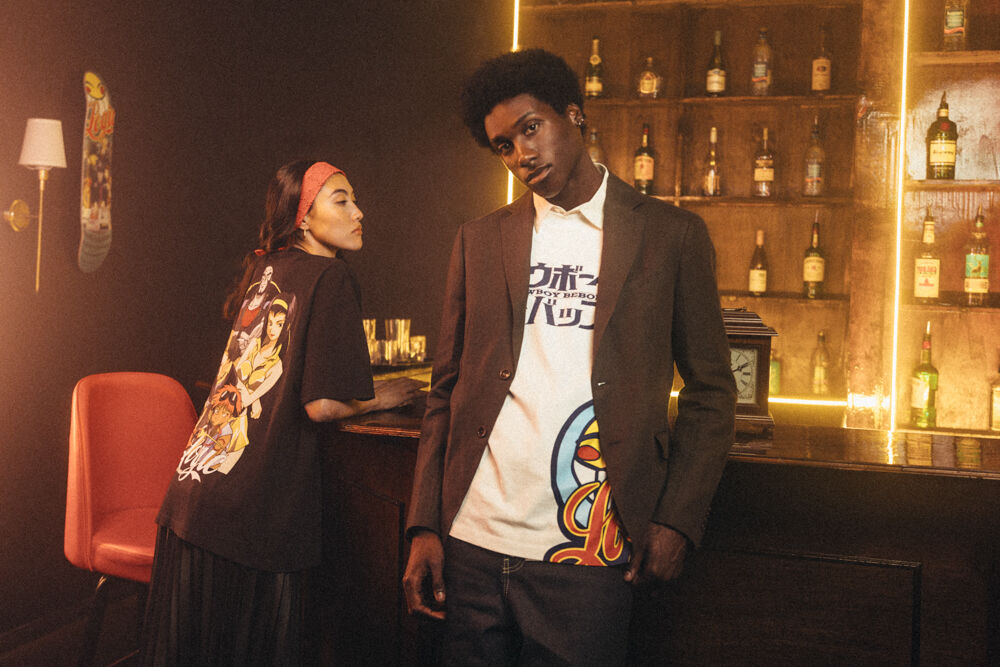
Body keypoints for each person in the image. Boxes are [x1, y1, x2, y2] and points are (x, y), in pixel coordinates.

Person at [402, 49, 736, 665]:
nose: (522, 155)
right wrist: (424, 525)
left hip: (591, 545)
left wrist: (676, 520)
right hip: (472, 539)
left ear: (574, 115)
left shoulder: (670, 235)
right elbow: (445, 389)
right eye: (504, 146)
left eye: (531, 128)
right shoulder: (480, 240)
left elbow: (712, 392)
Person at [142, 159, 425, 665]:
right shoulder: (331, 276)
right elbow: (322, 405)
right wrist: (382, 396)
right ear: (303, 217)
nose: (358, 212)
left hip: (192, 497)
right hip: (252, 519)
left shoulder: (266, 268)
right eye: (341, 200)